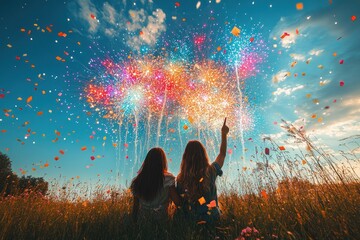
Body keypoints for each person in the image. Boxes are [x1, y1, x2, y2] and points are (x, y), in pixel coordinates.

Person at [176, 118, 229, 224]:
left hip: (191, 221)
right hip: (213, 218)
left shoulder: (181, 178)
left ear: (185, 157)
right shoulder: (211, 171)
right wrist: (224, 134)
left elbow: (181, 203)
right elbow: (222, 154)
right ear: (203, 155)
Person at [130, 147, 181, 223]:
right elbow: (177, 202)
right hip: (163, 222)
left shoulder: (137, 181)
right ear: (162, 161)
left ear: (147, 161)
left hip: (143, 223)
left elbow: (135, 208)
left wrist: (134, 224)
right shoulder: (168, 179)